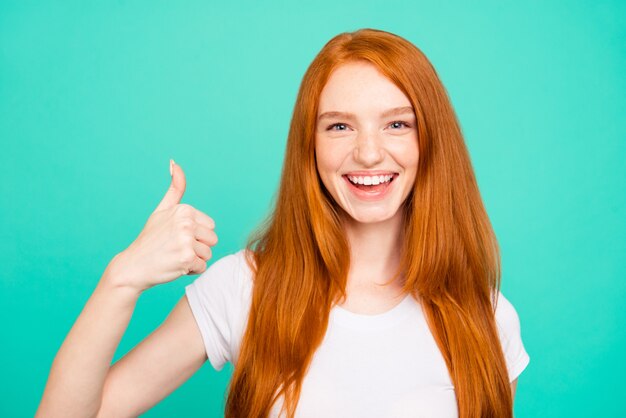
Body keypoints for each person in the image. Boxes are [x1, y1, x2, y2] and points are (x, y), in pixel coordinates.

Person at [36, 28, 529, 418]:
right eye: (339, 126)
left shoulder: (485, 315)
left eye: (397, 123)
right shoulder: (243, 288)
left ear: (430, 143)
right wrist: (121, 279)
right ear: (310, 148)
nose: (369, 152)